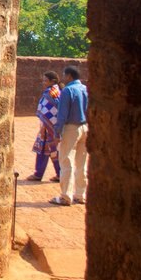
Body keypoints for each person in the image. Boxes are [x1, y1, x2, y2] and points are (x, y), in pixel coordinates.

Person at [50, 66, 89, 206]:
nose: (64, 78)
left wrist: (57, 132)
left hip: (71, 128)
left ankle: (66, 196)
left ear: (69, 76)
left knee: (66, 161)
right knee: (82, 162)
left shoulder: (67, 90)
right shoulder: (85, 89)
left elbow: (62, 114)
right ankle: (80, 194)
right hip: (85, 126)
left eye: (65, 75)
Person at [27, 71, 61, 182]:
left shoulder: (50, 92)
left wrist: (46, 126)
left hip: (48, 127)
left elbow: (48, 111)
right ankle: (59, 173)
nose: (44, 82)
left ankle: (38, 174)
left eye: (46, 80)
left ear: (53, 81)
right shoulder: (57, 91)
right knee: (54, 151)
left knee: (43, 150)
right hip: (54, 126)